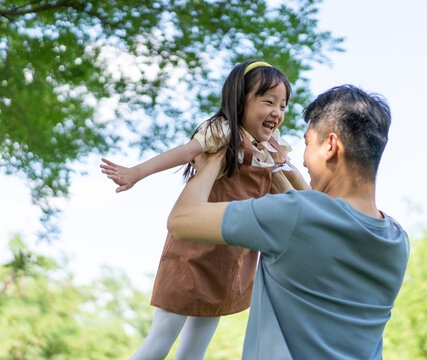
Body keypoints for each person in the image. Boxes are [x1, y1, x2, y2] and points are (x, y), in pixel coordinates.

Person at [167, 84, 410, 359]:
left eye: (307, 144)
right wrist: (278, 171)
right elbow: (323, 217)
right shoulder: (396, 240)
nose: (303, 161)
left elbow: (181, 219)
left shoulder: (294, 216)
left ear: (330, 145)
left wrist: (212, 160)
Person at [100, 61, 309, 360]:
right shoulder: (224, 133)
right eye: (268, 101)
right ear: (240, 101)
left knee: (194, 352)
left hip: (230, 261)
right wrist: (137, 172)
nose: (277, 112)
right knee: (159, 341)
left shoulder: (272, 151)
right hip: (193, 254)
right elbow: (185, 152)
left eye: (283, 105)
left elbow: (296, 195)